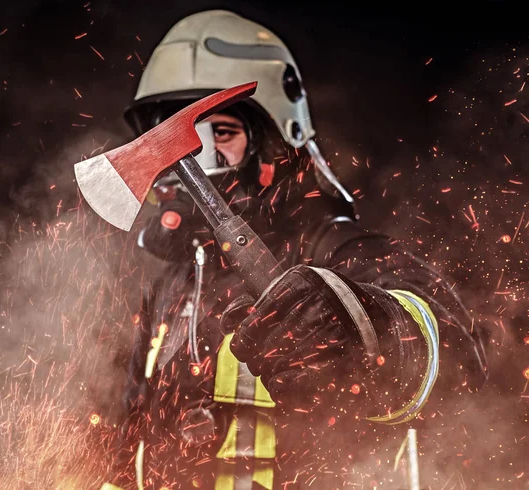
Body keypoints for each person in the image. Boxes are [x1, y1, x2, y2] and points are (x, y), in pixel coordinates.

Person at [116, 9, 488, 490]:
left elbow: (461, 364)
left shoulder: (348, 256)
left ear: (276, 144)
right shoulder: (174, 288)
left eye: (221, 133)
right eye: (172, 139)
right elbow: (128, 444)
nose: (192, 160)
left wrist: (368, 331)